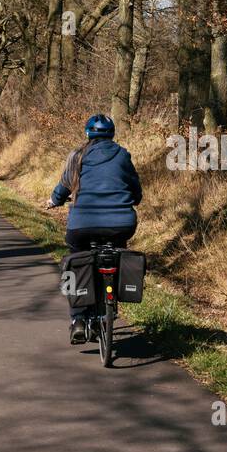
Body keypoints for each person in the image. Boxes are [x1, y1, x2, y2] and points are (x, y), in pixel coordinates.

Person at [46, 113, 142, 344]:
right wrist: (134, 198)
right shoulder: (122, 155)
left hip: (83, 224)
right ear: (112, 134)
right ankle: (112, 300)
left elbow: (65, 186)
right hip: (121, 224)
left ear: (88, 133)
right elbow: (135, 188)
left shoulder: (78, 155)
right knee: (117, 252)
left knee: (74, 260)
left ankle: (77, 319)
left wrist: (54, 200)